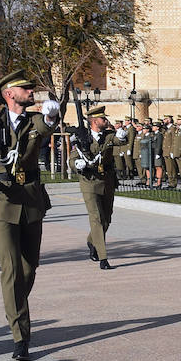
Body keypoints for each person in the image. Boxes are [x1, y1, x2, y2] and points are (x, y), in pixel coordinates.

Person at [0, 69, 53, 361]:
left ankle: (15, 304)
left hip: (30, 201)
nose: (31, 92)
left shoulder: (36, 121)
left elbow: (45, 131)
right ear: (9, 94)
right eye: (25, 89)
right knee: (12, 270)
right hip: (2, 202)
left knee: (29, 268)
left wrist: (53, 116)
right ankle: (20, 335)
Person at [76, 106, 121, 270]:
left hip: (107, 181)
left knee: (107, 218)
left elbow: (120, 141)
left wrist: (123, 134)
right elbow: (73, 157)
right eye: (103, 119)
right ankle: (103, 257)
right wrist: (76, 164)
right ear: (94, 121)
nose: (106, 121)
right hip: (89, 182)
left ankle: (91, 240)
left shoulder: (109, 136)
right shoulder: (82, 137)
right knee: (96, 218)